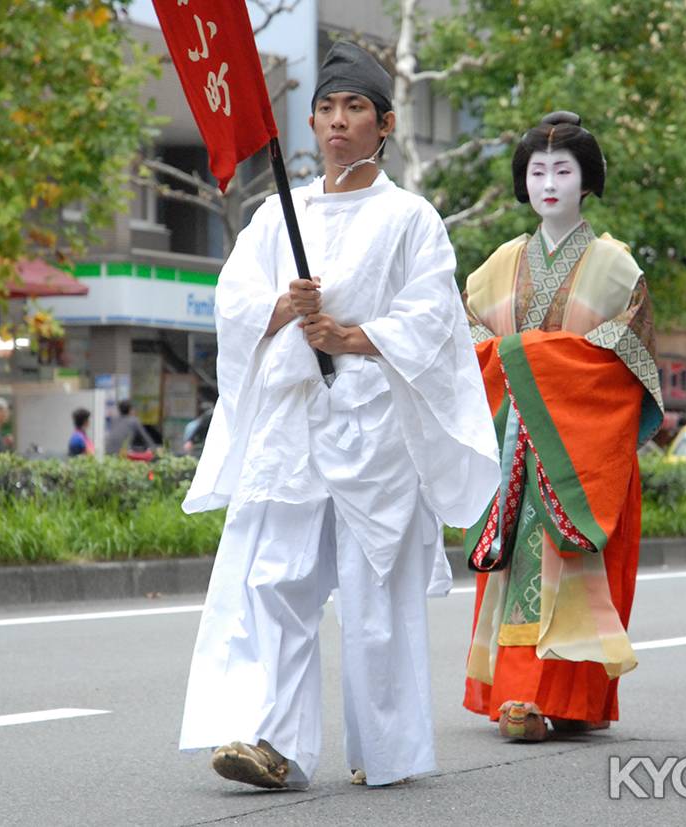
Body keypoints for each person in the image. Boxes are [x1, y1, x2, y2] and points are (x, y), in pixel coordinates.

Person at [178, 41, 499, 790]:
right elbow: (233, 302)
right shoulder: (277, 216)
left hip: (375, 426)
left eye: (355, 107)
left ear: (384, 124)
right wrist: (279, 307)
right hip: (292, 422)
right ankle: (271, 742)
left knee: (374, 595)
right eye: (326, 107)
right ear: (313, 122)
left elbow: (433, 318)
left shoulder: (410, 218)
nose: (338, 121)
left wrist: (352, 337)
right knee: (276, 579)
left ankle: (384, 750)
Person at [461, 112, 664, 740]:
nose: (548, 183)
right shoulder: (498, 264)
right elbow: (468, 344)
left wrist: (530, 360)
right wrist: (527, 365)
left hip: (583, 451)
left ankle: (573, 698)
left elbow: (627, 360)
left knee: (572, 565)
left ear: (587, 180)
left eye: (563, 170)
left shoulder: (617, 268)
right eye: (537, 171)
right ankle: (521, 696)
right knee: (520, 572)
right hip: (514, 446)